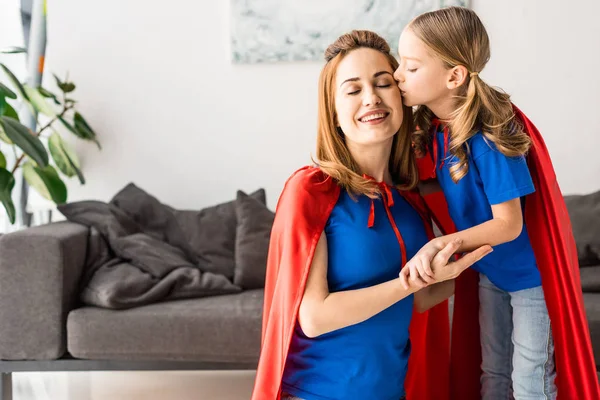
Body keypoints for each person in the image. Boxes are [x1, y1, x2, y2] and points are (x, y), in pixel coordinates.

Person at [251, 29, 492, 400]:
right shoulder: (311, 190)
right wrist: (410, 283)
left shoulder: (411, 200)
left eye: (384, 83)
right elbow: (314, 318)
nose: (371, 98)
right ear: (333, 112)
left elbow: (414, 300)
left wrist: (458, 272)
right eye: (353, 89)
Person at [394, 6, 600, 399]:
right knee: (491, 371)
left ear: (453, 76)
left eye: (411, 66)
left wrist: (441, 244)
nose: (398, 75)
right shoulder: (436, 130)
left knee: (530, 380)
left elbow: (510, 225)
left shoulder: (489, 137)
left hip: (529, 280)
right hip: (491, 273)